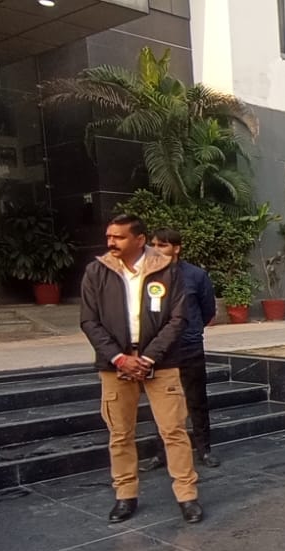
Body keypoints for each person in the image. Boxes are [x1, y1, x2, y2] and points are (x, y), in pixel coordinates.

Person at [79, 213, 202, 524]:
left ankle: (187, 496)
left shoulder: (167, 269)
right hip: (115, 365)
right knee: (120, 434)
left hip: (161, 363)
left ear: (139, 239)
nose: (111, 242)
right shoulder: (97, 271)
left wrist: (148, 358)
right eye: (109, 236)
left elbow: (178, 318)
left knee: (174, 431)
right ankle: (125, 495)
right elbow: (89, 321)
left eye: (119, 237)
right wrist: (119, 358)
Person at [137, 228, 218, 473]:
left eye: (162, 245)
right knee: (162, 403)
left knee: (196, 400)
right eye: (153, 245)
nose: (156, 249)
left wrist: (191, 329)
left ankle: (204, 449)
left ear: (176, 248)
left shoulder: (195, 275)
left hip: (189, 346)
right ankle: (161, 453)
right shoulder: (147, 274)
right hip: (159, 350)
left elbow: (208, 310)